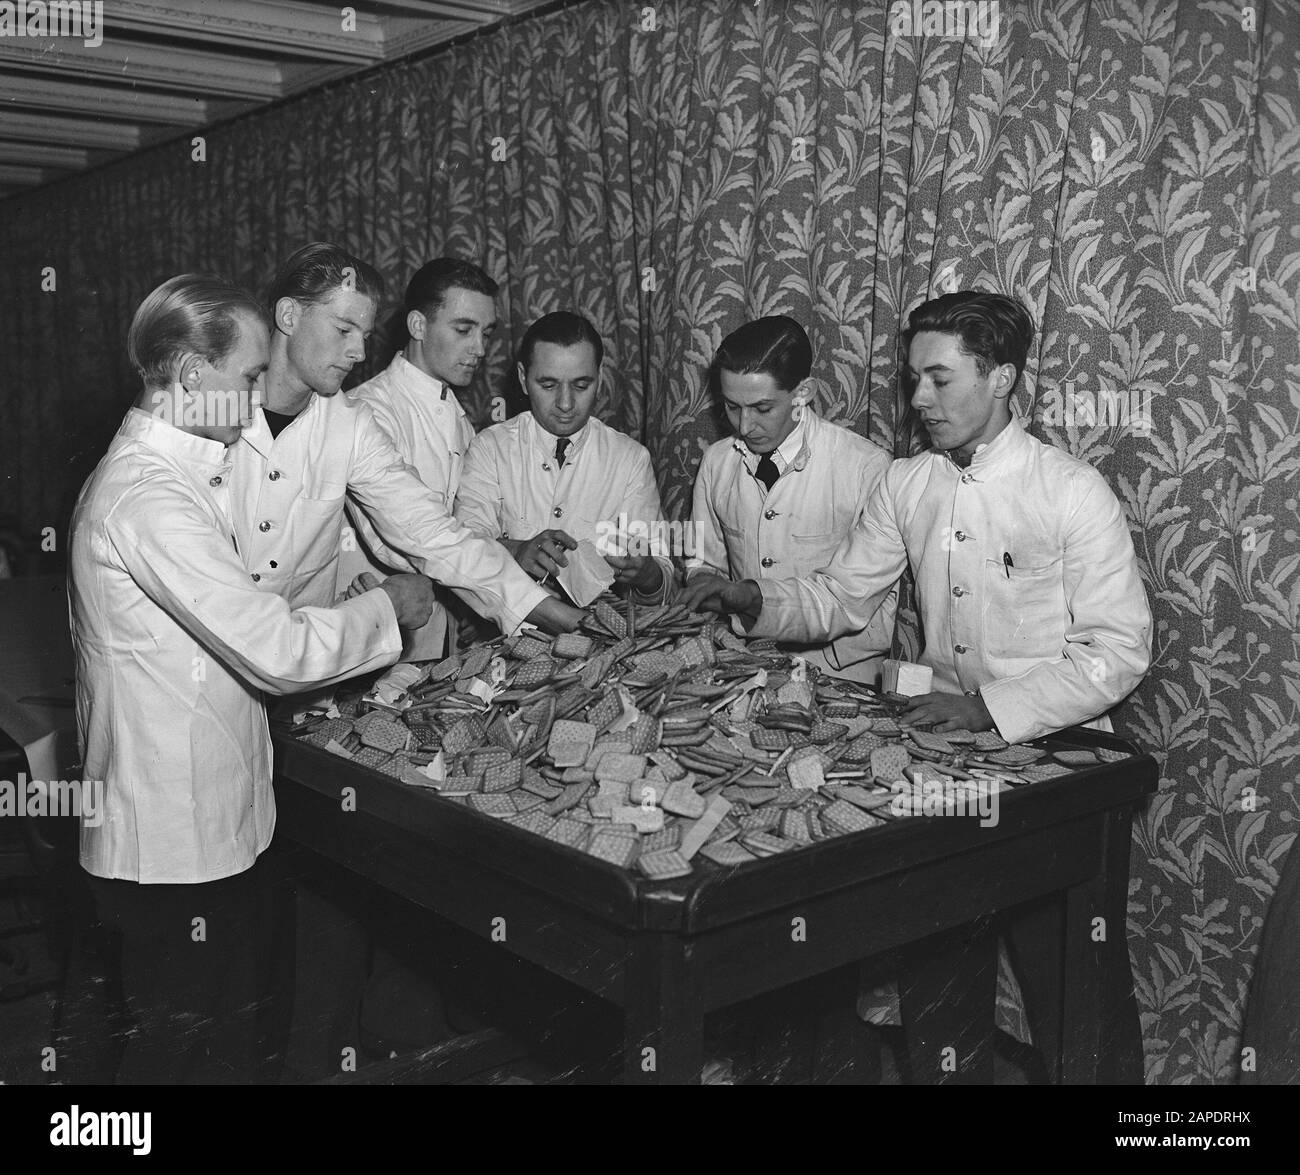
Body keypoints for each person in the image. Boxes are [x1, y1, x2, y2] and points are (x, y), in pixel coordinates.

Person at [67, 274, 434, 1083]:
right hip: (170, 839)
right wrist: (387, 611)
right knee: (174, 1057)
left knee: (219, 1046)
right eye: (248, 376)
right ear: (194, 375)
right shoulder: (148, 495)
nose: (262, 392)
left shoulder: (186, 471)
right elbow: (271, 646)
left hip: (202, 821)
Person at [684, 291, 1153, 742]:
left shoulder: (1073, 490)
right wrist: (748, 596)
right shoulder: (905, 482)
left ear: (1000, 380)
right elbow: (842, 596)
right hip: (940, 731)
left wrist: (989, 709)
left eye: (940, 380)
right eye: (915, 380)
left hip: (1058, 741)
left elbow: (1116, 652)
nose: (920, 399)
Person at [228, 241, 581, 639]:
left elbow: (428, 530)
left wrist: (558, 615)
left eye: (364, 334)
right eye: (344, 329)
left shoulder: (351, 424)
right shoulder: (211, 413)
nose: (359, 352)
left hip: (311, 665)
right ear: (289, 315)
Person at [683, 315, 896, 684]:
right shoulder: (718, 461)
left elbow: (850, 600)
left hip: (841, 675)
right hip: (745, 663)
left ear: (804, 393)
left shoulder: (868, 468)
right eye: (732, 407)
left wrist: (750, 596)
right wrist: (702, 580)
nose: (745, 426)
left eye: (763, 408)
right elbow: (704, 561)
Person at [335, 257, 498, 661]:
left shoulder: (461, 422)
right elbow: (409, 541)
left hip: (435, 643)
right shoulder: (366, 410)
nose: (480, 349)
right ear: (419, 326)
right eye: (464, 329)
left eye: (486, 332)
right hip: (365, 641)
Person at [454, 311, 674, 603]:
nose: (566, 404)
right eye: (548, 385)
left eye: (582, 386)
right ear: (523, 379)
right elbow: (462, 550)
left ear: (600, 378)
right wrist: (516, 550)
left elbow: (662, 585)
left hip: (598, 638)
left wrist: (647, 574)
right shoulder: (490, 449)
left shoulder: (631, 459)